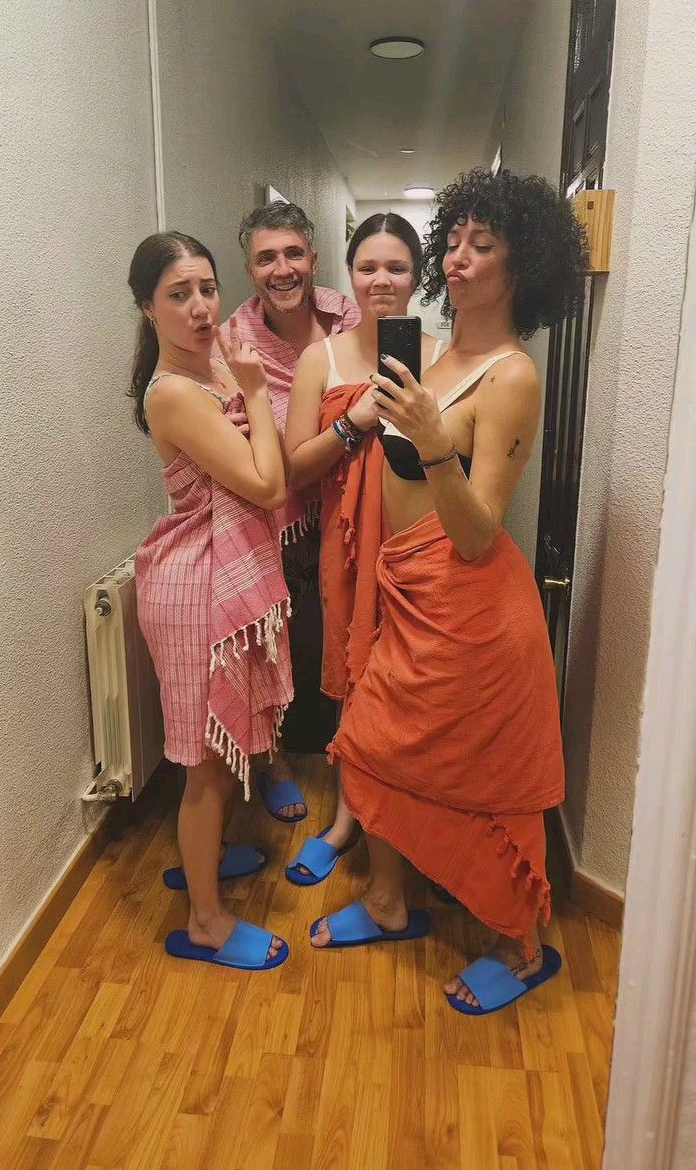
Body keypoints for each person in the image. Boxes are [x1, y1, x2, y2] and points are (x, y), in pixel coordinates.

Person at [310, 169, 588, 1017]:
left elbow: (477, 532)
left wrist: (433, 442)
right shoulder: (432, 356)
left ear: (522, 263)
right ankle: (389, 903)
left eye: (484, 244)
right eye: (455, 240)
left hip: (473, 613)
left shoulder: (512, 377)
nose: (460, 257)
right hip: (407, 596)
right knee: (372, 747)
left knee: (486, 781)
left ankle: (523, 947)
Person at [129, 231, 292, 973]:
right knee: (205, 766)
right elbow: (267, 484)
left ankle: (207, 861)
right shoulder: (172, 392)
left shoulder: (213, 367)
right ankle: (204, 920)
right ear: (148, 308)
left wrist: (246, 384)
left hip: (214, 575)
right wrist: (255, 392)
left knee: (221, 756)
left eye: (207, 288)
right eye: (178, 294)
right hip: (196, 587)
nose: (200, 307)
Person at [283, 212, 443, 885]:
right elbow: (295, 467)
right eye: (368, 267)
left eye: (396, 267)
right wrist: (355, 421)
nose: (381, 280)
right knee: (354, 679)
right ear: (349, 274)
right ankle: (349, 817)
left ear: (417, 276)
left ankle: (406, 820)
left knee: (410, 686)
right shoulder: (318, 359)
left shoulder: (442, 357)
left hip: (417, 546)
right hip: (344, 549)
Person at [231, 201, 360, 821]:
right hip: (273, 517)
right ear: (250, 271)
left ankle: (354, 760)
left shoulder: (347, 317)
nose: (281, 269)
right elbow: (228, 419)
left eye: (292, 254)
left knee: (340, 637)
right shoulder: (235, 339)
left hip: (344, 504)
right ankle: (273, 762)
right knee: (271, 643)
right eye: (266, 258)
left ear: (313, 256)